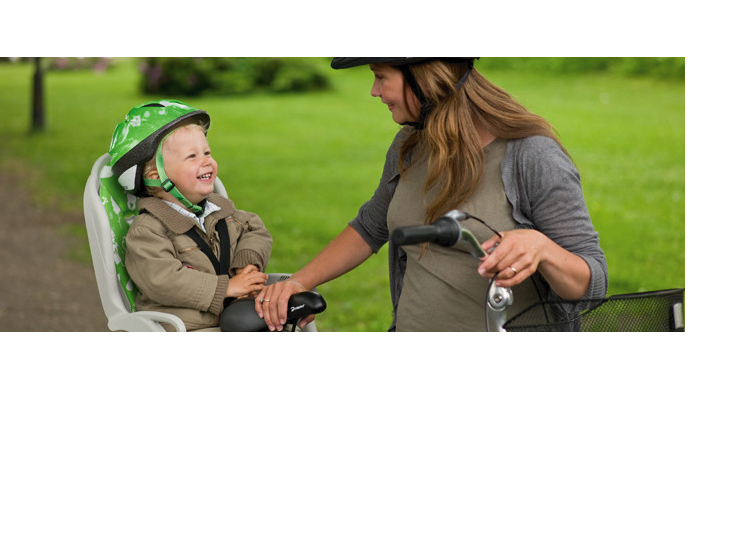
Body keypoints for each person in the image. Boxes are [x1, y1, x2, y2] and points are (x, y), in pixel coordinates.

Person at [256, 58, 607, 332]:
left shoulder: (531, 156)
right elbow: (370, 226)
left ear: (425, 77)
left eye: (381, 76)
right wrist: (299, 281)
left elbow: (592, 285)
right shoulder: (410, 145)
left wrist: (541, 248)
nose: (374, 91)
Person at [109, 101, 271, 332]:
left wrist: (245, 267)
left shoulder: (219, 211)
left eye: (207, 152)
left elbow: (254, 228)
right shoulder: (149, 230)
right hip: (186, 328)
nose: (206, 161)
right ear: (156, 175)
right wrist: (225, 288)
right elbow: (162, 279)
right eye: (192, 156)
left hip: (234, 317)